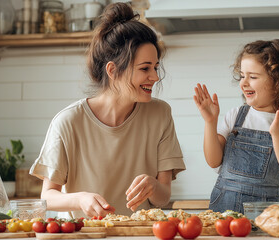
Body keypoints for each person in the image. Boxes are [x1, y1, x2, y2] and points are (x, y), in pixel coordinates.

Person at [30, 2, 186, 218]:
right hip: (86, 234)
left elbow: (163, 197)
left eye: (156, 67)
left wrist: (153, 186)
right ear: (113, 70)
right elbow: (47, 197)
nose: (155, 77)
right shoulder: (68, 121)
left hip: (137, 234)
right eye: (145, 68)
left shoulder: (160, 114)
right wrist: (80, 198)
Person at [193, 39, 279, 213]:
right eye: (242, 76)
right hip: (224, 216)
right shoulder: (236, 116)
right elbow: (213, 161)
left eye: (253, 77)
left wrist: (277, 133)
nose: (243, 83)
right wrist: (210, 122)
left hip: (268, 217)